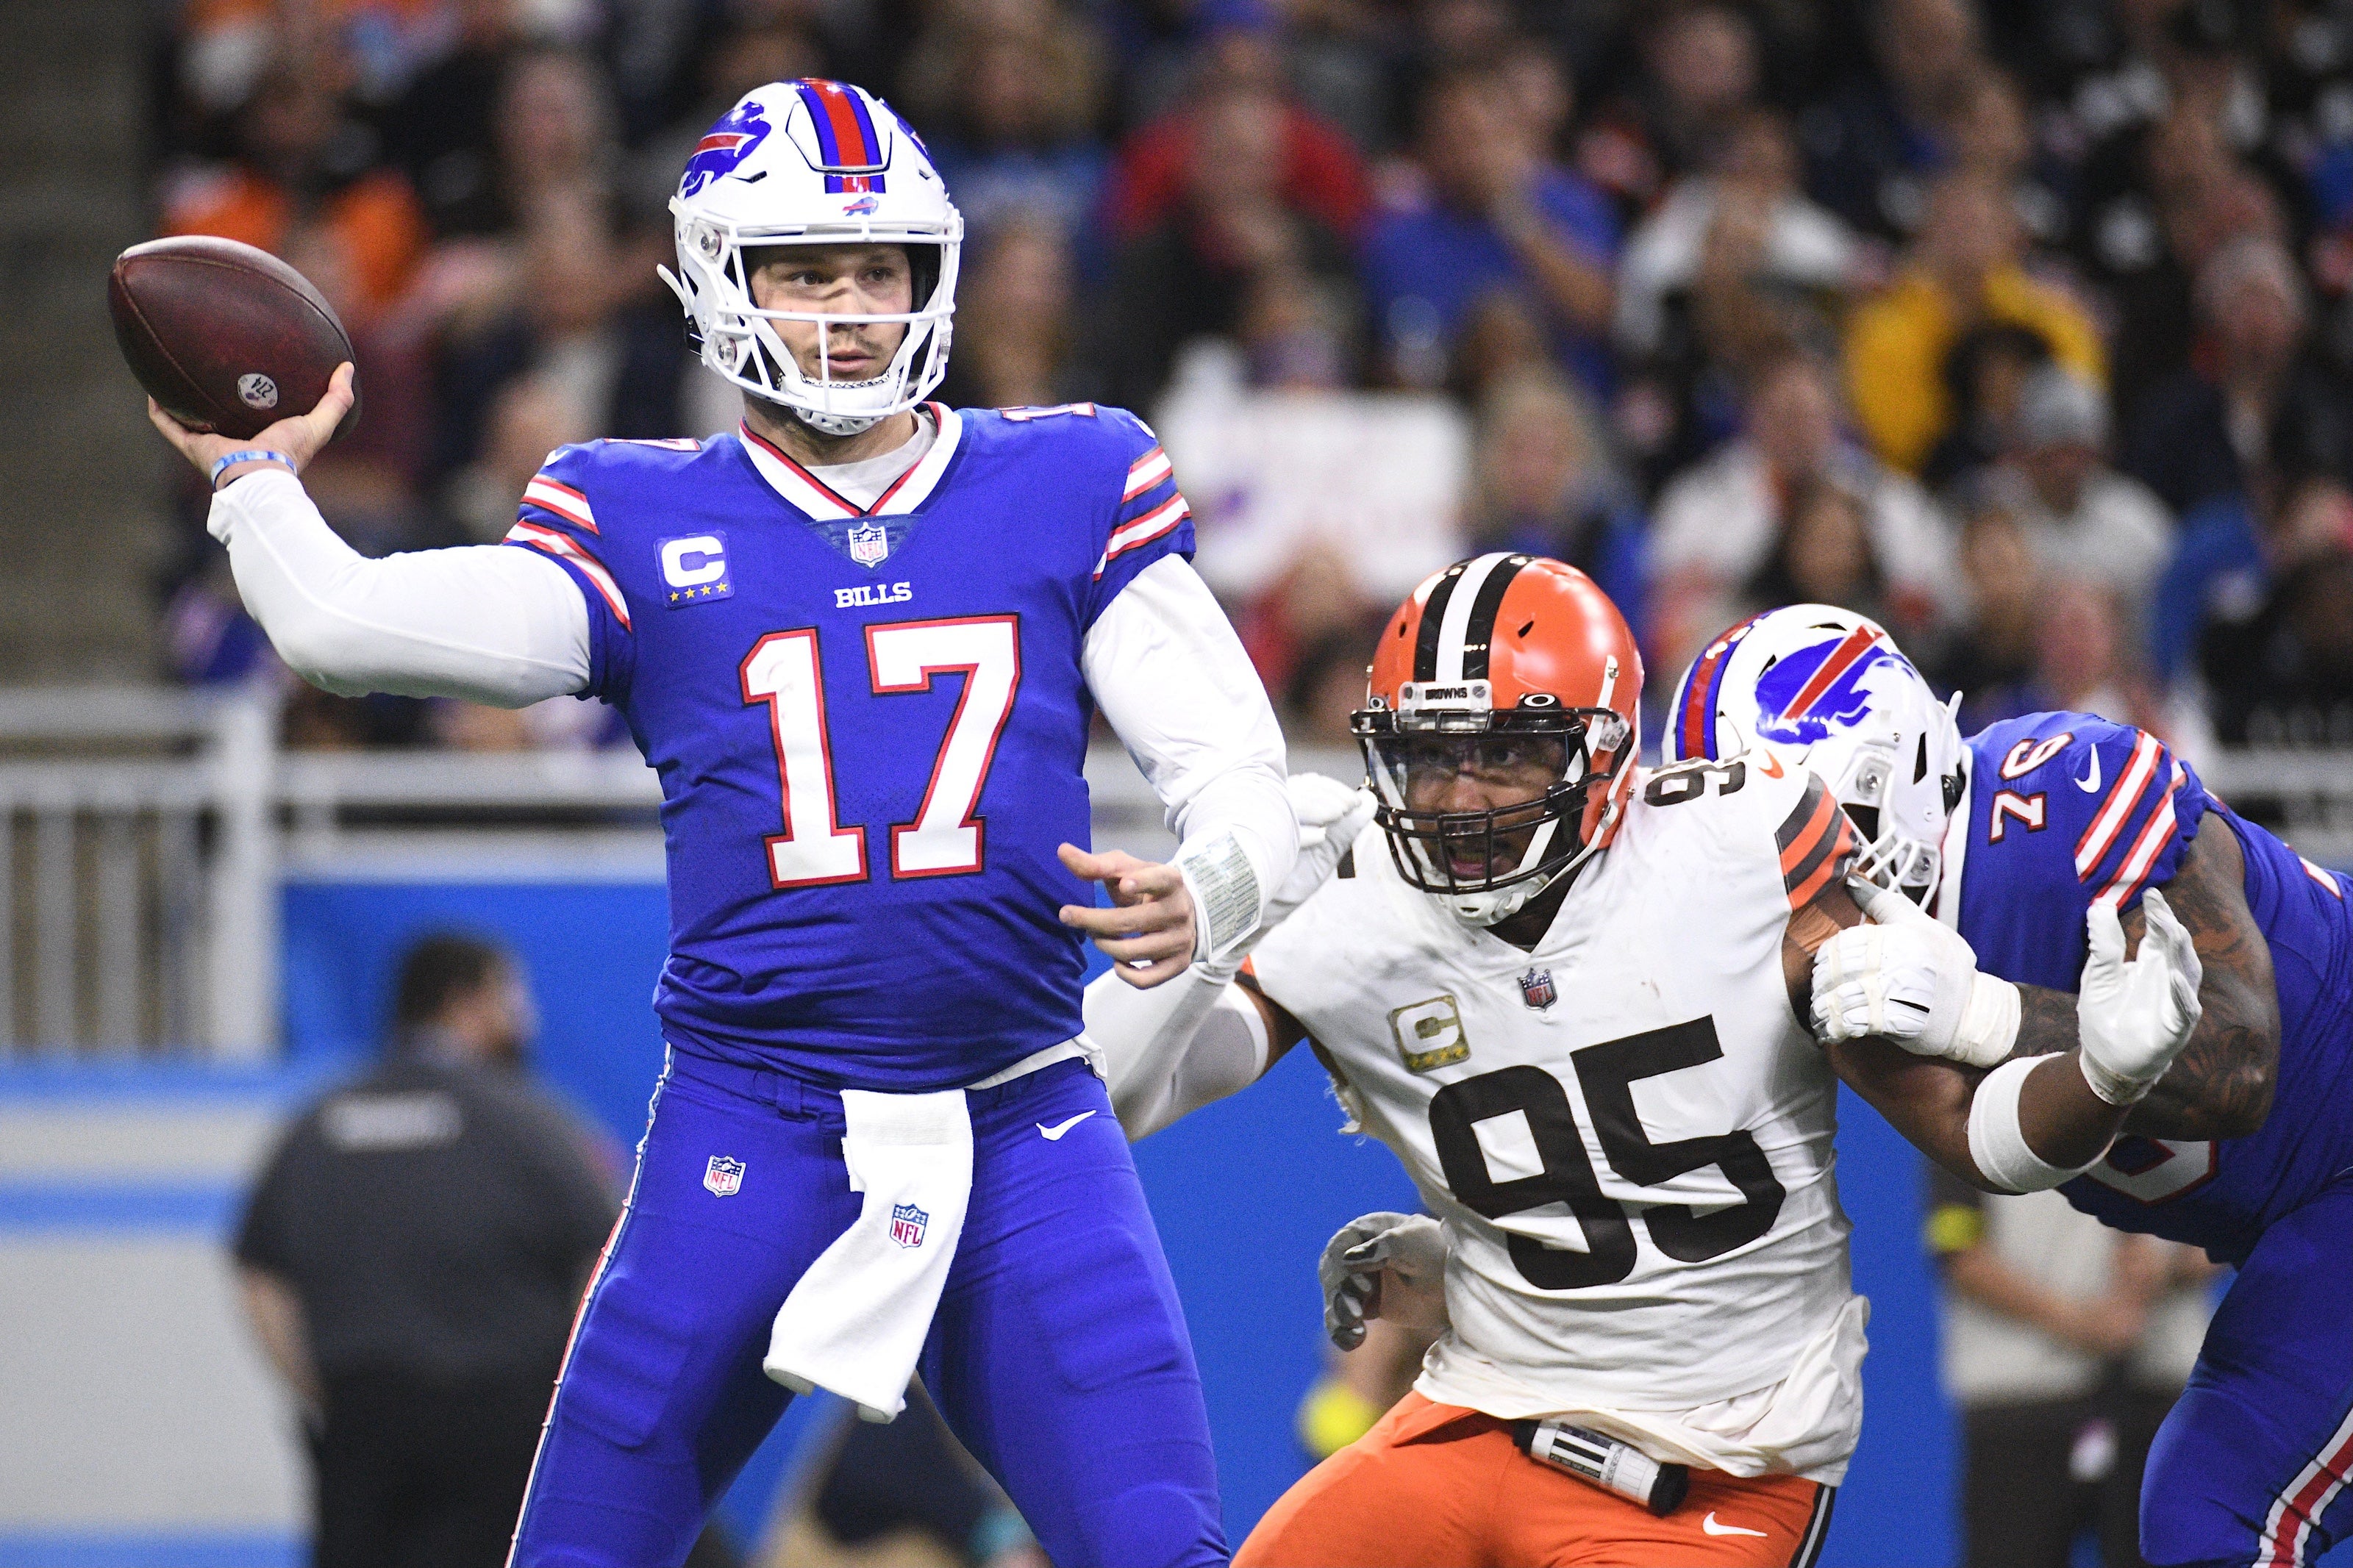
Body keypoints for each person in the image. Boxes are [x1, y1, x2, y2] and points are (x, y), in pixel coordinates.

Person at [153, 79, 1299, 1568]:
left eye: (875, 267)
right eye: (804, 270)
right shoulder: (633, 510)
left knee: (1160, 1551)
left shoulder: (1069, 474)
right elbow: (346, 623)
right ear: (716, 280)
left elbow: (1239, 768)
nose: (846, 307)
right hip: (756, 1124)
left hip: (1023, 1118)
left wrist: (1209, 884)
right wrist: (256, 481)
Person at [1083, 555, 2202, 1566]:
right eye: (1430, 757)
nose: (1460, 797)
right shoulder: (1351, 899)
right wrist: (1226, 903)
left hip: (1721, 1471)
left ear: (1608, 750)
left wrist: (2103, 1074)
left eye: (1508, 753)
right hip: (1481, 1414)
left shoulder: (1742, 849)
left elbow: (1973, 1134)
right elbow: (1103, 1095)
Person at [1672, 603, 2353, 1567]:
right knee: (2202, 1512)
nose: (1775, 887)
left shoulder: (2060, 796)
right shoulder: (1832, 965)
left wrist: (1990, 1015)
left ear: (1890, 777)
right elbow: (1980, 1141)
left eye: (1789, 837)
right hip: (2305, 1221)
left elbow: (2234, 1066)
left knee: (2214, 1506)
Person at [233, 934, 621, 1567]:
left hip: (364, 1428)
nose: (523, 1019)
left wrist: (327, 1391)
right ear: (465, 1003)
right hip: (503, 1432)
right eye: (510, 997)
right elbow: (603, 1265)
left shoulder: (317, 1125)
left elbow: (259, 1277)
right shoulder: (530, 1121)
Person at [1926, 1168, 2214, 1568]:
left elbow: (2240, 1223)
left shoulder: (2187, 1107)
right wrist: (2081, 1324)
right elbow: (1959, 1253)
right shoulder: (1966, 1114)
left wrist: (2165, 1270)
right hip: (2022, 1404)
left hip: (2158, 1399)